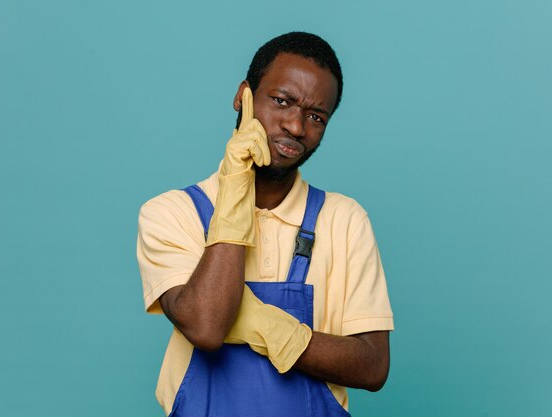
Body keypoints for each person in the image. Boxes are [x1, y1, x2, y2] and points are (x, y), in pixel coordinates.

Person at [137, 31, 394, 416]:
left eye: (316, 116)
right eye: (281, 101)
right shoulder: (172, 213)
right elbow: (207, 328)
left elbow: (372, 366)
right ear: (244, 98)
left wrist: (272, 329)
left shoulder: (343, 220)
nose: (295, 126)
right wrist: (235, 190)